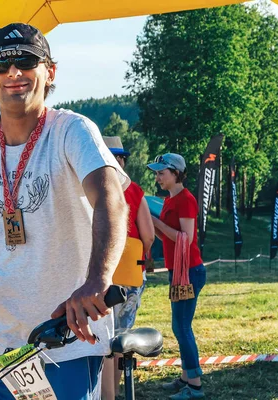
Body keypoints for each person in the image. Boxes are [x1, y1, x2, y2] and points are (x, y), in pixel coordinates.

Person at [0, 22, 130, 400]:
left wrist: (96, 281)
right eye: (0, 65)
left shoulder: (73, 131)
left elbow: (111, 199)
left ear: (50, 72)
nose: (13, 73)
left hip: (65, 340)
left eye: (26, 60)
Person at [148, 154, 206, 400]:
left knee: (182, 327)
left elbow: (187, 238)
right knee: (179, 326)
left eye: (162, 172)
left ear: (175, 173)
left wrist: (155, 223)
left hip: (189, 271)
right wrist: (153, 226)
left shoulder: (186, 200)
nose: (157, 177)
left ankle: (194, 387)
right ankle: (186, 377)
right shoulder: (171, 199)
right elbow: (170, 238)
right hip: (180, 271)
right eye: (157, 173)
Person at [101, 137, 154, 400]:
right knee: (121, 337)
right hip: (131, 272)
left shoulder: (94, 186)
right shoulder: (134, 189)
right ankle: (116, 389)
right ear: (121, 160)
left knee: (102, 338)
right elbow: (149, 234)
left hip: (101, 274)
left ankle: (105, 393)